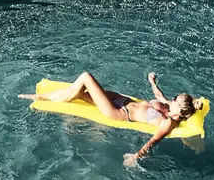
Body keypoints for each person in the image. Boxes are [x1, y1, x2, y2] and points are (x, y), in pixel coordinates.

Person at [23, 71, 196, 166]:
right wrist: (152, 82)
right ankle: (43, 97)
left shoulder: (167, 123)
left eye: (175, 100)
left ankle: (43, 99)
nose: (172, 99)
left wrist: (136, 156)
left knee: (86, 77)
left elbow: (153, 141)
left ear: (179, 111)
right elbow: (159, 95)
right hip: (121, 99)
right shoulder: (168, 106)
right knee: (82, 94)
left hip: (117, 111)